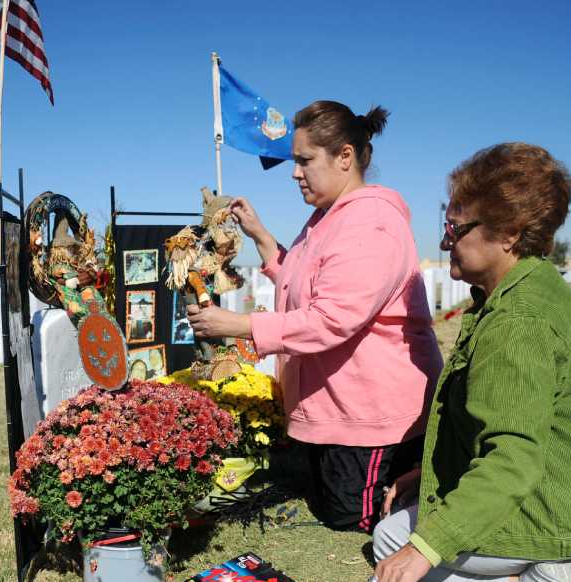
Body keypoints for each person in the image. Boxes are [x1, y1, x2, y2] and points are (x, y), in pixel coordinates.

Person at [371, 143, 571, 582]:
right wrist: (429, 475)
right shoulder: (531, 288)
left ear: (510, 234)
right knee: (407, 521)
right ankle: (557, 562)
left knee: (391, 539)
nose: (444, 243)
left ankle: (541, 581)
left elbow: (512, 458)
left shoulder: (518, 322)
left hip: (552, 509)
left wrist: (424, 548)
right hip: (567, 494)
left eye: (455, 229)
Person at [187, 100, 443, 532]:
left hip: (371, 411)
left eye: (305, 160)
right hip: (337, 406)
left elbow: (332, 318)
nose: (294, 172)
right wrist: (261, 236)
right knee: (316, 494)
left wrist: (238, 326)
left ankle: (419, 482)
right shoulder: (326, 218)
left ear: (344, 156)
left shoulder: (371, 223)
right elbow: (302, 282)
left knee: (347, 515)